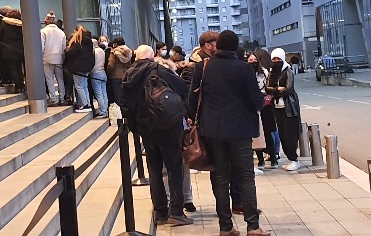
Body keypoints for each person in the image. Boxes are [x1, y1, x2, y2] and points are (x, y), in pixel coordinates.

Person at [190, 31, 270, 236]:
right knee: (246, 176)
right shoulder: (244, 68)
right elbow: (256, 101)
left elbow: (192, 99)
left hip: (213, 130)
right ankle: (253, 226)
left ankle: (225, 227)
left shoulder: (203, 67)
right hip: (240, 131)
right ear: (235, 47)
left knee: (220, 177)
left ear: (217, 46)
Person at [121, 45, 193, 226]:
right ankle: (176, 212)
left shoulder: (128, 75)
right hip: (167, 125)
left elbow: (125, 105)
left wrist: (135, 127)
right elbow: (182, 87)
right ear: (152, 55)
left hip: (145, 127)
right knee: (174, 167)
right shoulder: (159, 70)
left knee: (154, 169)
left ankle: (160, 212)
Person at [266, 48, 302, 171]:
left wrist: (274, 91)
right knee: (282, 134)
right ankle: (290, 158)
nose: (276, 61)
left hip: (289, 107)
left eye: (278, 59)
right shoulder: (271, 72)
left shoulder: (288, 71)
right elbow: (267, 89)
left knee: (290, 133)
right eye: (274, 59)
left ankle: (294, 159)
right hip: (277, 107)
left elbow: (289, 89)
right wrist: (277, 89)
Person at [248, 50, 278, 169]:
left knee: (268, 132)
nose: (253, 62)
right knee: (256, 134)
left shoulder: (265, 73)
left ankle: (273, 157)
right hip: (252, 106)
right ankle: (260, 159)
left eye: (255, 60)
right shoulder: (246, 73)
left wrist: (268, 95)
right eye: (250, 60)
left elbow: (271, 87)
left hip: (266, 105)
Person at [65, 26, 95, 113]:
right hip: (87, 67)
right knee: (84, 86)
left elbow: (71, 53)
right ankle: (88, 104)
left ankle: (85, 104)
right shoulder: (89, 42)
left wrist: (67, 50)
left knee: (79, 86)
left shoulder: (77, 43)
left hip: (77, 67)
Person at [40, 11, 67, 106]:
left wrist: (41, 57)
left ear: (47, 20)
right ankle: (62, 98)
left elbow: (41, 46)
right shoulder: (61, 33)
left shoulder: (43, 31)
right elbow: (64, 47)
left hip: (47, 58)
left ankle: (53, 99)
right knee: (60, 79)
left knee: (50, 79)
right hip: (59, 58)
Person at [0, 9, 25, 93]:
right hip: (20, 49)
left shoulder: (4, 23)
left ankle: (17, 87)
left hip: (8, 49)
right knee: (19, 68)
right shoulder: (21, 24)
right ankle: (22, 86)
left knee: (13, 68)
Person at [106, 37, 132, 110]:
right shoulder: (128, 52)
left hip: (116, 76)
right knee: (125, 95)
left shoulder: (114, 52)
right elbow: (130, 65)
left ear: (116, 44)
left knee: (118, 96)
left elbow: (111, 65)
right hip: (125, 76)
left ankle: (120, 112)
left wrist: (108, 73)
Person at [90, 39, 109, 118]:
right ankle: (106, 110)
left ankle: (103, 111)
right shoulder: (101, 50)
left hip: (96, 72)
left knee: (98, 94)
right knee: (104, 93)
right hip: (103, 72)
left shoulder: (93, 51)